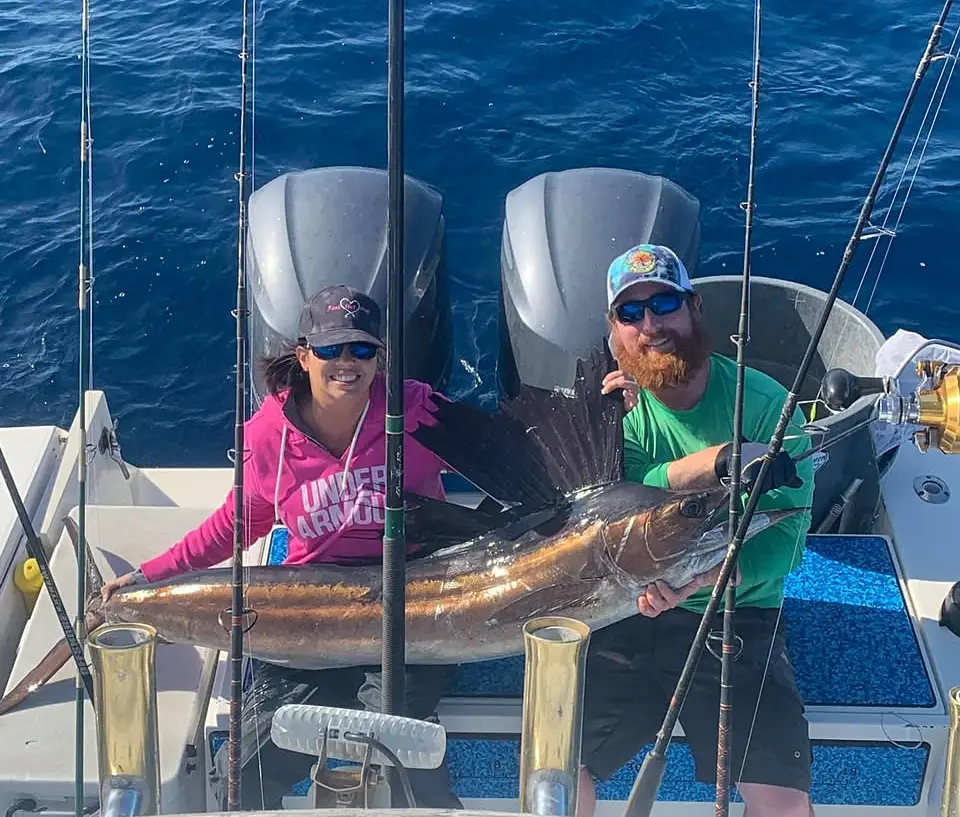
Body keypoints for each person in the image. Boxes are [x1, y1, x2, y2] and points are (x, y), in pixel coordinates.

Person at [100, 284, 464, 812]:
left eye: (362, 349)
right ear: (304, 354)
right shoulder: (270, 433)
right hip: (302, 612)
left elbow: (508, 454)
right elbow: (235, 523)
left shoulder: (417, 411)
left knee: (404, 750)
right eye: (330, 349)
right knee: (249, 777)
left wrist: (620, 408)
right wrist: (153, 576)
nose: (347, 363)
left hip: (411, 607)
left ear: (379, 357)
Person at [576, 244, 816, 817]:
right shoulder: (613, 414)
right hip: (623, 611)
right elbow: (612, 507)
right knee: (555, 774)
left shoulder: (767, 408)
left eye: (664, 304)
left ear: (694, 308)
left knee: (783, 806)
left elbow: (785, 546)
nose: (651, 325)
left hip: (737, 616)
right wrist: (717, 463)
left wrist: (699, 583)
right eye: (631, 314)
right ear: (613, 331)